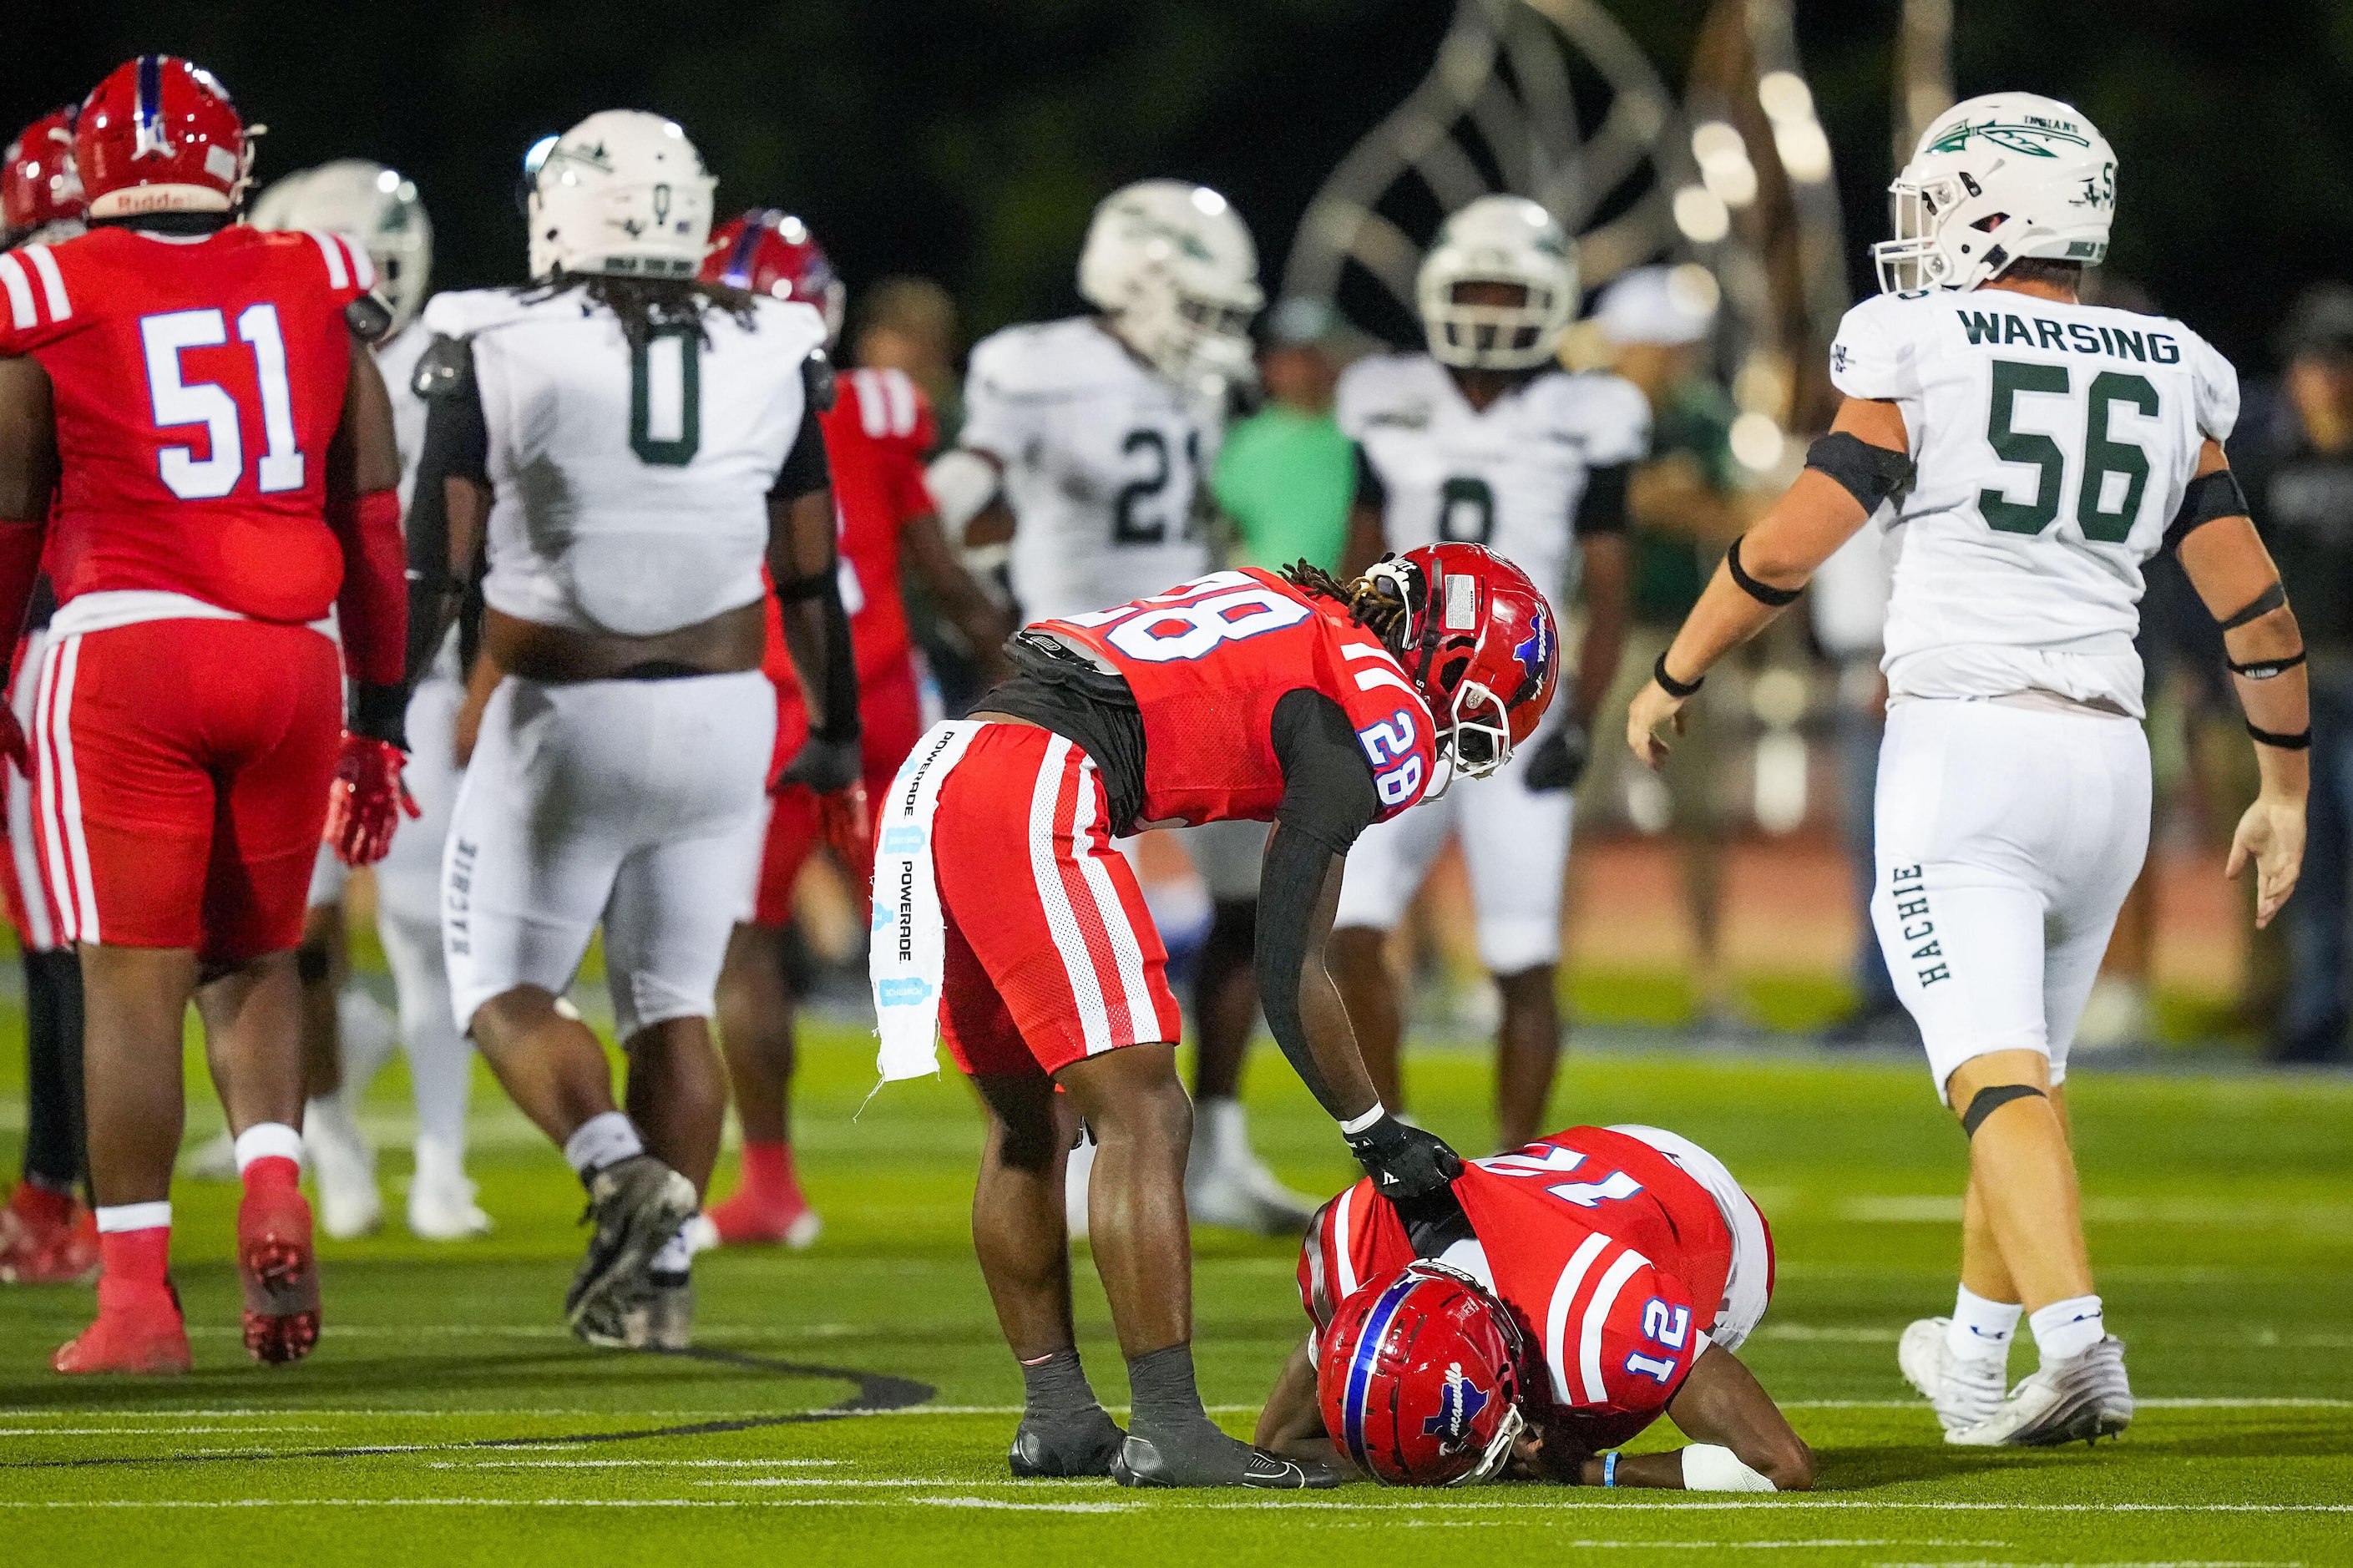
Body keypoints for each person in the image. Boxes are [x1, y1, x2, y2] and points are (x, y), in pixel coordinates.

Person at [1628, 93, 2308, 1446]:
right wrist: (2281, 789)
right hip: (2107, 760)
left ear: (1985, 211)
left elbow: (1791, 540)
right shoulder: (2173, 359)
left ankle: (2076, 1345)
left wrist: (1674, 670)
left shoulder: (1922, 338)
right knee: (2020, 1074)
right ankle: (1975, 1353)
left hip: (1966, 747)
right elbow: (2257, 611)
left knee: (1990, 1075)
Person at [869, 543, 1557, 1487]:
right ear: (1448, 655)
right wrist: (1375, 1135)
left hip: (944, 770)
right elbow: (1288, 963)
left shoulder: (1285, 599)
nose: (1461, 727)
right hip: (1036, 782)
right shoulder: (1373, 704)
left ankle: (1060, 1415)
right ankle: (1169, 1427)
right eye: (1482, 700)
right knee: (1147, 1113)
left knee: (1030, 1125)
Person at [401, 113, 855, 1349]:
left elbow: (432, 563)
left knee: (501, 988)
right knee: (672, 1000)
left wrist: (377, 709)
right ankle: (658, 1282)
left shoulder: (492, 330)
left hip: (566, 712)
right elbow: (809, 571)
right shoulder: (775, 336)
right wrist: (840, 732)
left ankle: (616, 1168)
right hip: (724, 714)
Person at [0, 55, 412, 1373]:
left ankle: (135, 1299)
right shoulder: (317, 272)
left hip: (126, 647)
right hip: (292, 655)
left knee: (132, 975)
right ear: (233, 158)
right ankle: (276, 1181)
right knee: (257, 958)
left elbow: (11, 512)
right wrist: (382, 707)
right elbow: (375, 514)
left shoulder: (47, 286)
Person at [924, 180, 1309, 1236]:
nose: (1214, 334)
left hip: (1189, 672)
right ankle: (1103, 1149)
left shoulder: (1189, 383)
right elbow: (964, 481)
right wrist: (951, 550)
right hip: (1082, 690)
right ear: (1131, 277)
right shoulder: (1038, 365)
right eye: (1201, 304)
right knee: (1102, 935)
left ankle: (1219, 1146)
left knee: (1256, 900)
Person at [182, 158, 489, 1242]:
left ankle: (443, 1162)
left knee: (426, 929)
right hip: (299, 668)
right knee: (296, 935)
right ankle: (336, 1145)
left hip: (411, 670)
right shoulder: (271, 349)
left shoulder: (450, 354)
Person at [692, 210, 1009, 1250]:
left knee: (746, 941)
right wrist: (1010, 657)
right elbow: (938, 563)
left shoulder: (697, 407)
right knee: (948, 933)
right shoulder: (876, 408)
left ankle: (771, 1183)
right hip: (880, 702)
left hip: (773, 701)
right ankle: (1045, 1149)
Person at [1328, 195, 1643, 1152]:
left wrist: (1583, 716)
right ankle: (1393, 1149)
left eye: (1513, 291)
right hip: (1402, 701)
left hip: (1521, 708)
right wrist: (1343, 678)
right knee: (1350, 934)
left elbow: (1608, 578)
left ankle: (1511, 1164)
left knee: (1523, 954)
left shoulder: (1589, 407)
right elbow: (1361, 556)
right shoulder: (1382, 391)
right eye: (1478, 290)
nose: (1496, 310)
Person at [1254, 1122, 1809, 1491]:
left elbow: (1780, 1464)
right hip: (1571, 1178)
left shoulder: (1599, 1322)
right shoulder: (1354, 1250)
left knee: (1572, 1417)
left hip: (1709, 1222)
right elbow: (1280, 1445)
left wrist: (1595, 1470)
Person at [1581, 264, 1753, 1029]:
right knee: (1565, 810)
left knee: (1700, 819)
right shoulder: (1585, 416)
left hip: (1684, 641)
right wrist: (1667, 498)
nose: (1680, 361)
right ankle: (1528, 971)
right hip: (1598, 634)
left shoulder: (1699, 415)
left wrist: (1659, 502)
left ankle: (1712, 983)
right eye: (1666, 346)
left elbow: (1736, 516)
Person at [0, 104, 94, 1287]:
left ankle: (63, 1195)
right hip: (115, 626)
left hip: (52, 638)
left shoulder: (37, 297)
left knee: (68, 942)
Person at [2241, 284, 2353, 1064]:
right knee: (2308, 863)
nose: (2327, 379)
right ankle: (2313, 1013)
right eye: (2318, 362)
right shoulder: (2268, 450)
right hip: (2298, 688)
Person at [1213, 297, 1356, 574]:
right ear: (1269, 364)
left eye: (1317, 354)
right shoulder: (1240, 442)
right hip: (1263, 605)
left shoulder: (1361, 438)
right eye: (1293, 355)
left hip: (1350, 607)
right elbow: (1224, 529)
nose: (1306, 367)